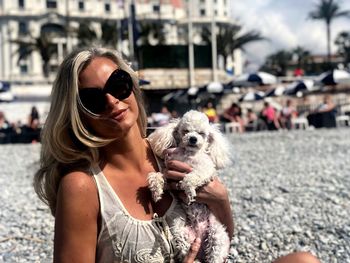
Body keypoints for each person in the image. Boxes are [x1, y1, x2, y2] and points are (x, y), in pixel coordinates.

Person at [33, 47, 320, 263]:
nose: (112, 101)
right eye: (93, 99)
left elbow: (220, 239)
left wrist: (221, 200)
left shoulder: (173, 152)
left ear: (132, 86)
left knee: (304, 261)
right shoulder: (82, 186)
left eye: (118, 85)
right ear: (77, 113)